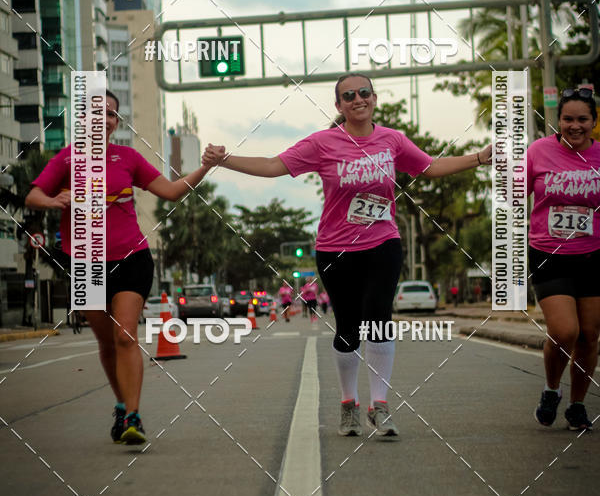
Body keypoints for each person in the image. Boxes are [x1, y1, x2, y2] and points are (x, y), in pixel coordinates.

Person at [202, 73, 491, 438]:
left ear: (374, 98)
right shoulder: (323, 144)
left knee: (379, 317)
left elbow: (430, 166)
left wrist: (479, 157)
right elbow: (274, 165)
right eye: (348, 95)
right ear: (339, 105)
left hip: (383, 242)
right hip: (336, 249)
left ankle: (380, 405)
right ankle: (349, 402)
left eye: (364, 93)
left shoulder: (392, 140)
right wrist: (225, 161)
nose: (358, 99)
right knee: (349, 327)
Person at [26, 90, 209, 445]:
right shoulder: (66, 160)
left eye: (110, 114)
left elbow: (171, 191)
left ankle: (135, 417)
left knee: (125, 335)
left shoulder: (127, 157)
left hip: (131, 257)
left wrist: (206, 166)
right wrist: (53, 200)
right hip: (85, 263)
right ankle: (122, 405)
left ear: (115, 123)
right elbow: (33, 195)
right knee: (107, 342)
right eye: (97, 113)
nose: (104, 119)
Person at [529, 87, 600, 431]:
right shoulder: (539, 151)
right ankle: (551, 389)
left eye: (582, 119)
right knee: (564, 331)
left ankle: (576, 406)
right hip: (548, 254)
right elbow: (512, 197)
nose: (575, 126)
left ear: (593, 122)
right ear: (558, 121)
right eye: (568, 119)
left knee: (588, 336)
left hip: (593, 256)